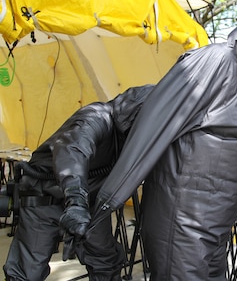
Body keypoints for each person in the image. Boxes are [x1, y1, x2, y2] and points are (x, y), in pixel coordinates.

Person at [85, 4, 237, 281]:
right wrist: (105, 205)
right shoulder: (216, 61)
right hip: (184, 229)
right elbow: (153, 127)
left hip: (211, 228)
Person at [3, 84, 154, 281]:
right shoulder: (96, 117)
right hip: (45, 199)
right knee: (26, 272)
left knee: (106, 262)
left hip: (89, 204)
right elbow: (72, 150)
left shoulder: (134, 139)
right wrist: (76, 200)